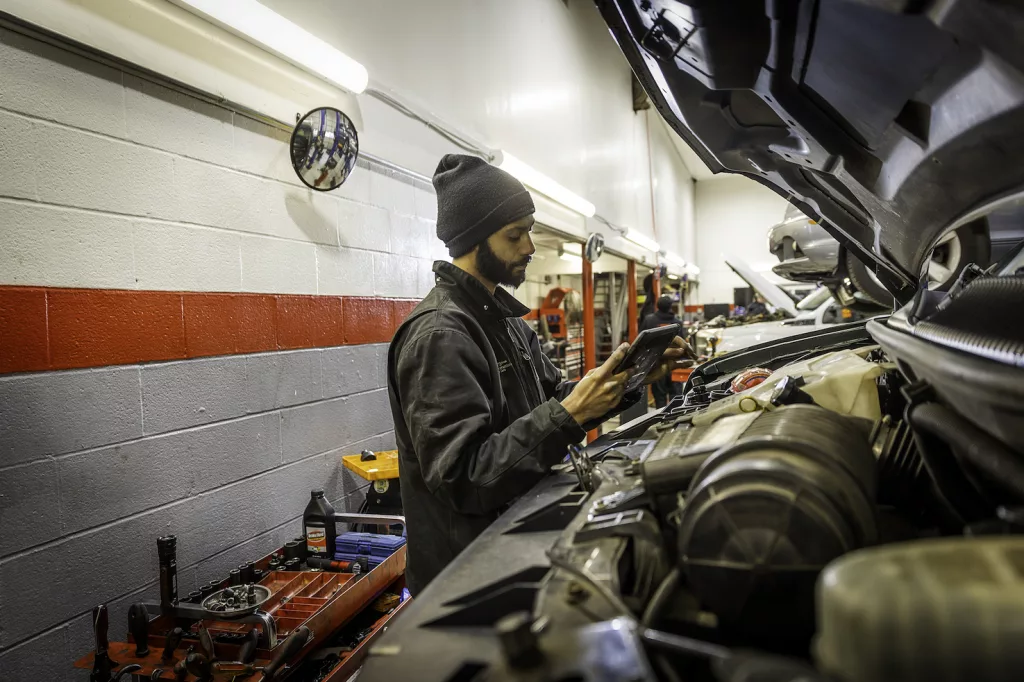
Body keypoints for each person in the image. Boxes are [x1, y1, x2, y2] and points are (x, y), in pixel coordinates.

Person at [387, 154, 693, 595]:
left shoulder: (504, 319)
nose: (529, 246)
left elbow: (555, 397)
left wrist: (631, 378)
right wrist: (567, 415)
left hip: (510, 546)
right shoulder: (441, 334)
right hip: (465, 580)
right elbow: (464, 477)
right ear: (475, 240)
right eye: (516, 234)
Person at [640, 295, 685, 408]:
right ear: (671, 306)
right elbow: (683, 345)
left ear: (657, 306)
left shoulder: (649, 320)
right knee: (676, 399)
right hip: (674, 366)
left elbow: (641, 342)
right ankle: (675, 422)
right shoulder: (677, 323)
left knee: (659, 399)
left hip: (656, 365)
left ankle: (661, 423)